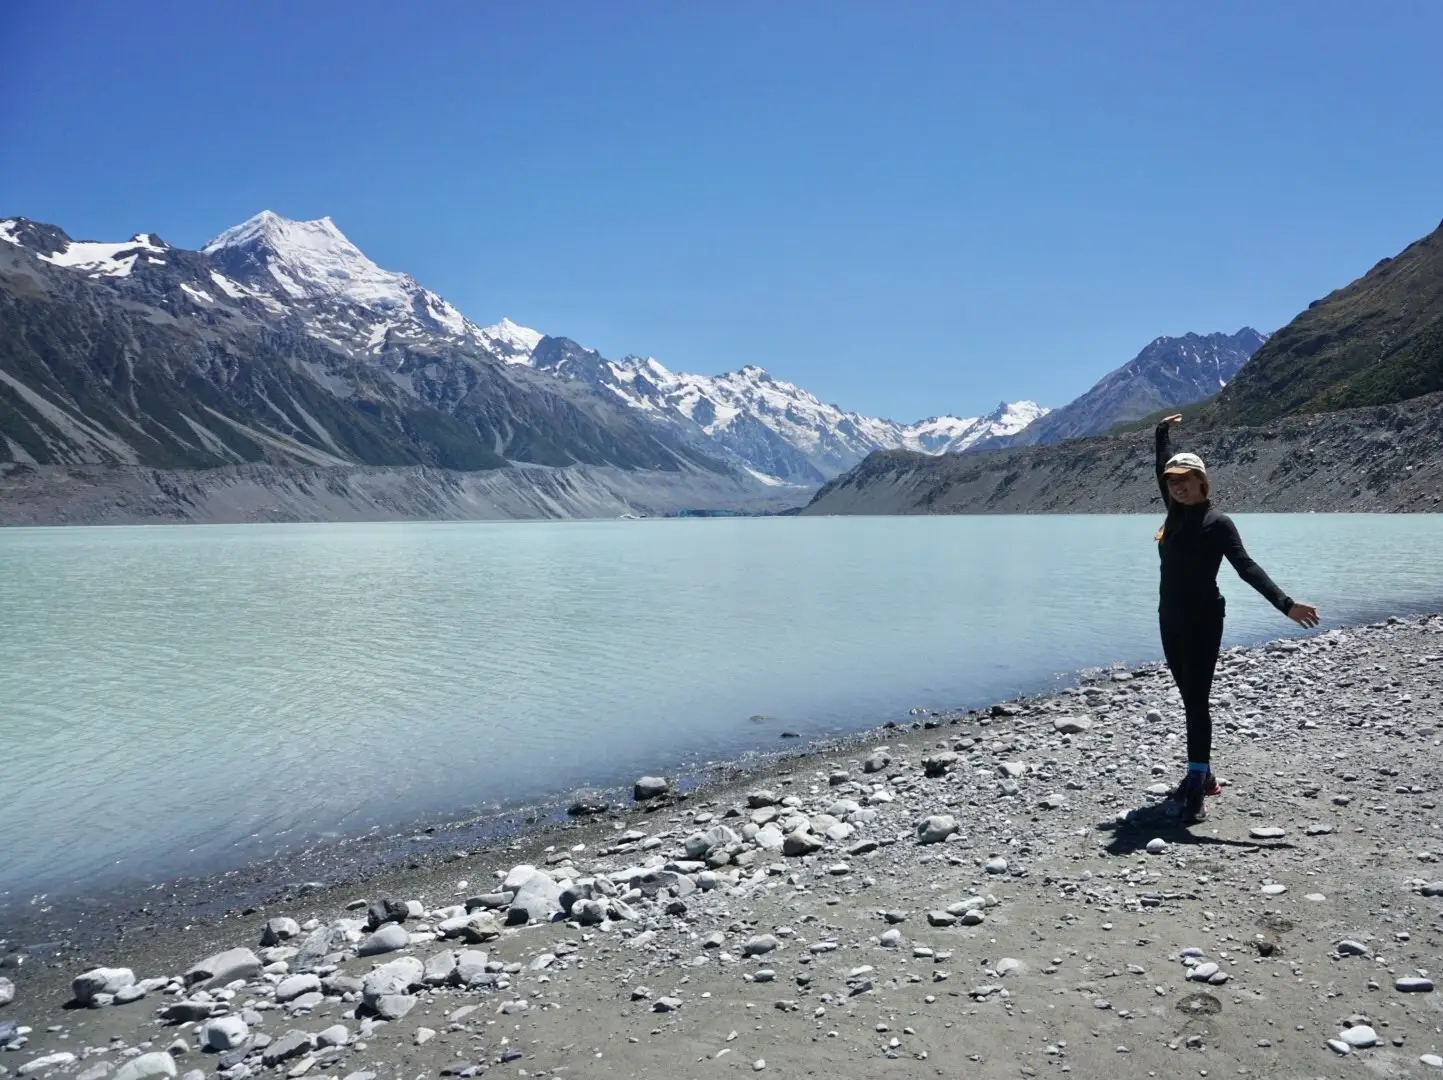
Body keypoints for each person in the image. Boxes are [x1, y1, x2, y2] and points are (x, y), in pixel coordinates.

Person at [1153, 414, 1319, 822]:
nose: (1177, 485)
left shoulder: (1218, 523)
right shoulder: (1173, 514)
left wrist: (1286, 604)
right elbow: (1161, 467)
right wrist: (1162, 433)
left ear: (1202, 482)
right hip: (1169, 620)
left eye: (1185, 479)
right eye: (1173, 480)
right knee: (1188, 697)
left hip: (1204, 620)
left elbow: (1247, 568)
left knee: (1196, 700)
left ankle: (1196, 783)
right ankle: (1204, 773)